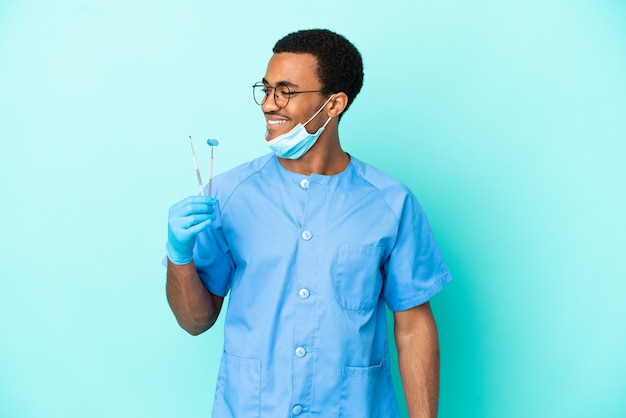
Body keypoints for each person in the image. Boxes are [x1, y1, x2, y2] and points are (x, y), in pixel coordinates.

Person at [165, 28, 451, 418]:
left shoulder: (390, 203)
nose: (268, 104)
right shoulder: (228, 195)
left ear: (333, 104)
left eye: (285, 91)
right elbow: (196, 321)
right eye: (265, 90)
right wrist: (179, 257)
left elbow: (414, 325)